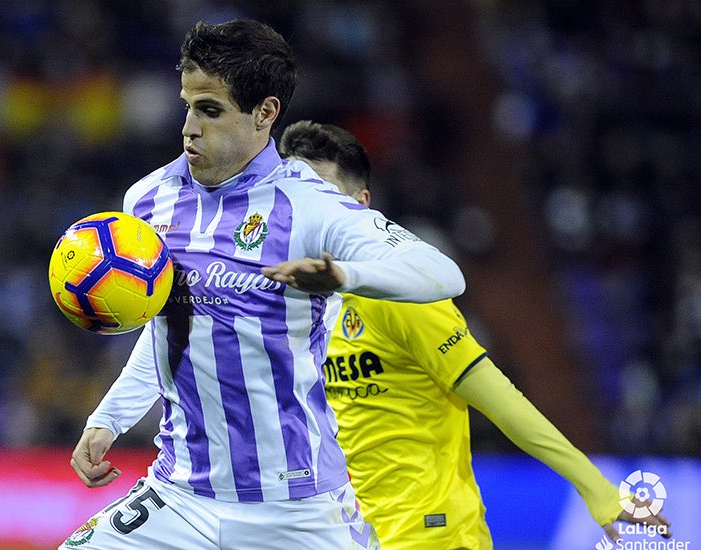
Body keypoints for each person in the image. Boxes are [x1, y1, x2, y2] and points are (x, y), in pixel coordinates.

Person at [58, 20, 466, 550]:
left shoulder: (312, 206)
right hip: (182, 494)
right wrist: (109, 419)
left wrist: (342, 275)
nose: (189, 129)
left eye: (210, 110)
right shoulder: (146, 201)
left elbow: (443, 274)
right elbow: (166, 325)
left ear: (265, 113)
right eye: (187, 106)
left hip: (299, 507)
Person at [277, 119, 674, 549]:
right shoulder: (296, 309)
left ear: (360, 205)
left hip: (434, 534)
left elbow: (502, 400)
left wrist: (593, 485)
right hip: (351, 535)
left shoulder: (400, 296)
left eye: (321, 194)